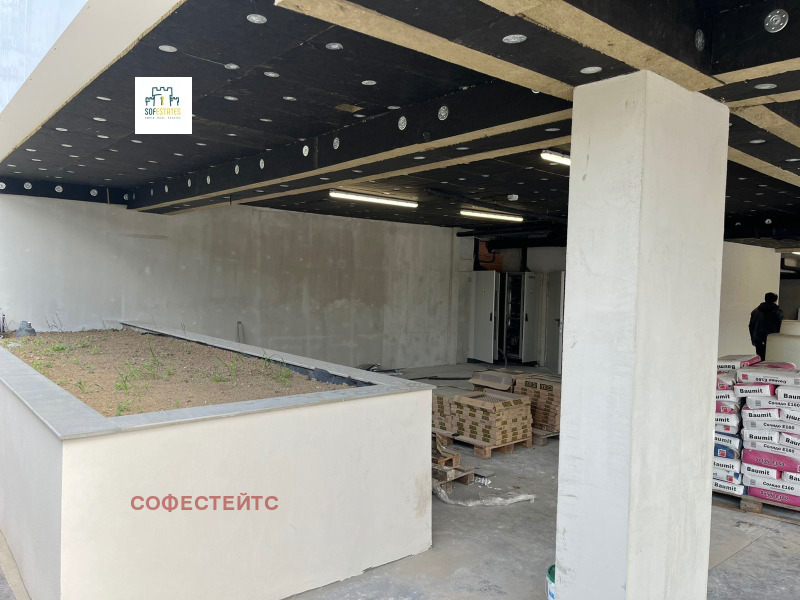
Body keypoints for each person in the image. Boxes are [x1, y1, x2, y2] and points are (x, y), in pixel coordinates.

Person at [749, 292, 784, 359]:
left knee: (761, 359)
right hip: (773, 339)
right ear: (775, 300)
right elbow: (781, 326)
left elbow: (751, 326)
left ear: (765, 299)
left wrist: (753, 339)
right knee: (772, 359)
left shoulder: (755, 311)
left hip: (758, 339)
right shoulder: (778, 312)